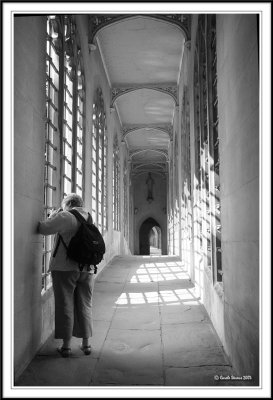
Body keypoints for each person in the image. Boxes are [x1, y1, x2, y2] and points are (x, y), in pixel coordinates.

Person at [38, 193, 95, 358]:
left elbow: (43, 228)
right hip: (87, 269)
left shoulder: (65, 216)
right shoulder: (89, 217)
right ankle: (86, 344)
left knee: (65, 306)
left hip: (65, 269)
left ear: (67, 204)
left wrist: (53, 216)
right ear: (80, 204)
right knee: (85, 305)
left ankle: (66, 347)